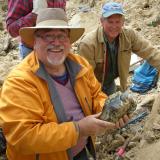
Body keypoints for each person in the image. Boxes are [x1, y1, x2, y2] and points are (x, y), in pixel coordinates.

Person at [0, 8, 129, 160]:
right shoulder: (19, 82)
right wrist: (79, 129)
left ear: (69, 41)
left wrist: (110, 112)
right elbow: (23, 137)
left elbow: (96, 95)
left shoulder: (79, 64)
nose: (56, 43)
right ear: (35, 42)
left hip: (81, 150)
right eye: (48, 36)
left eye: (62, 36)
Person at [78, 2, 160, 96]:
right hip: (92, 88)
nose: (114, 26)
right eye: (110, 22)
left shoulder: (128, 35)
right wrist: (98, 100)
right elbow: (86, 79)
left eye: (118, 22)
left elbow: (150, 53)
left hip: (110, 83)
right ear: (101, 21)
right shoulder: (88, 44)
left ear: (123, 22)